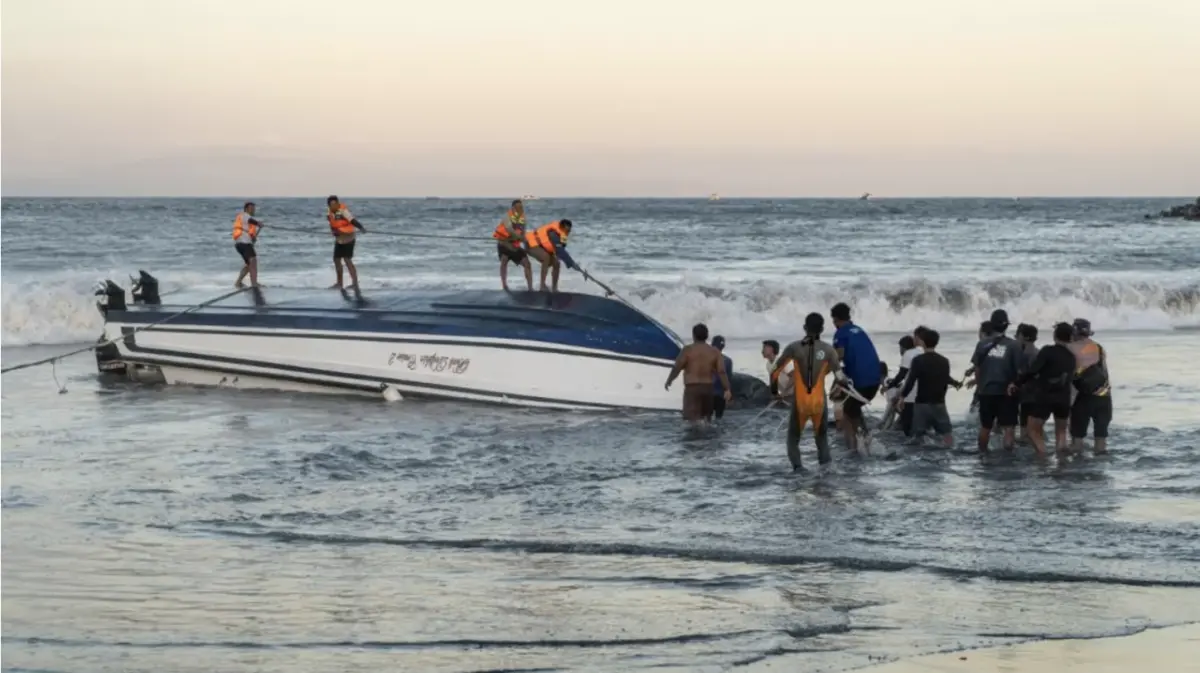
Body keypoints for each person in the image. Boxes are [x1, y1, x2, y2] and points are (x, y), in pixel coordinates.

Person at [770, 312, 844, 471]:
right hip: (819, 402)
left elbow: (775, 372)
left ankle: (799, 471)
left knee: (793, 439)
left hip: (800, 402)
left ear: (804, 328)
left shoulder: (794, 348)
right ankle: (826, 471)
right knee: (821, 439)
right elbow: (840, 377)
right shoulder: (829, 351)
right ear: (822, 329)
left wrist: (775, 392)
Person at [1008, 322, 1075, 457]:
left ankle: (1042, 454)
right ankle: (1061, 460)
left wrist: (1016, 383)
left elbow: (1032, 371)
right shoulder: (1071, 356)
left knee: (1032, 429)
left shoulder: (1047, 351)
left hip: (1046, 396)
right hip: (1064, 398)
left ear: (1055, 335)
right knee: (1061, 431)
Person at [830, 302, 882, 455]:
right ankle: (867, 439)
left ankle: (852, 451)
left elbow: (836, 360)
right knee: (854, 409)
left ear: (836, 319)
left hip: (861, 383)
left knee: (846, 415)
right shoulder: (859, 330)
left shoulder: (840, 334)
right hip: (875, 380)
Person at [970, 309, 1023, 453]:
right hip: (1007, 393)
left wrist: (980, 388)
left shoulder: (982, 344)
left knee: (985, 427)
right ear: (1006, 326)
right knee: (1008, 428)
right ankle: (1008, 457)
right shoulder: (1014, 346)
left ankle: (982, 455)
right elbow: (1020, 371)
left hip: (986, 392)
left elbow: (977, 369)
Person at [899, 328, 955, 449]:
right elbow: (945, 382)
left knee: (917, 438)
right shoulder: (944, 361)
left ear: (923, 342)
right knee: (947, 436)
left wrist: (902, 397)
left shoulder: (918, 361)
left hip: (921, 405)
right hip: (939, 403)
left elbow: (910, 381)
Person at [665, 323, 732, 423]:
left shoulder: (687, 350)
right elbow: (721, 372)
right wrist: (727, 389)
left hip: (692, 388)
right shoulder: (714, 352)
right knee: (706, 420)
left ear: (693, 335)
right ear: (707, 336)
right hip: (708, 388)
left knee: (692, 421)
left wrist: (669, 380)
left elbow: (677, 367)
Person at [1067, 318, 1112, 455]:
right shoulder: (1099, 348)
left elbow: (1070, 377)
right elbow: (1103, 371)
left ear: (1074, 332)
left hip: (1084, 398)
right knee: (1101, 443)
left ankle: (1078, 472)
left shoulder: (1070, 349)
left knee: (1077, 443)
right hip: (1104, 397)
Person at [326, 195, 366, 298]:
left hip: (349, 237)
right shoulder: (329, 213)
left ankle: (355, 283)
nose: (334, 206)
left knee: (347, 259)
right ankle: (339, 283)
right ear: (329, 206)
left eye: (335, 203)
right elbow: (332, 225)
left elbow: (352, 220)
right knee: (336, 259)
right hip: (340, 238)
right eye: (332, 204)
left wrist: (361, 227)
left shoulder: (343, 211)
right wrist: (334, 232)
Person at [883, 334, 923, 436]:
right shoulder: (920, 352)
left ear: (903, 347)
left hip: (911, 395)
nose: (900, 351)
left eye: (900, 348)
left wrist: (890, 385)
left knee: (907, 427)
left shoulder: (908, 354)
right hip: (924, 393)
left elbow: (902, 374)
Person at [524, 219, 577, 292]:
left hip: (541, 246)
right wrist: (572, 263)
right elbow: (560, 251)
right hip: (531, 243)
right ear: (561, 228)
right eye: (566, 230)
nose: (567, 233)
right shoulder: (553, 234)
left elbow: (561, 252)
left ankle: (554, 288)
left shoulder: (562, 235)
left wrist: (570, 263)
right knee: (546, 257)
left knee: (557, 263)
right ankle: (542, 286)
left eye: (569, 231)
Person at [493, 199, 533, 291]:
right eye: (518, 207)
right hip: (504, 243)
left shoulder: (523, 218)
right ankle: (504, 285)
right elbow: (509, 229)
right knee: (504, 260)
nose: (520, 209)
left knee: (527, 263)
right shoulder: (507, 217)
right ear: (513, 208)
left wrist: (523, 238)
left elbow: (523, 232)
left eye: (521, 207)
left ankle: (530, 288)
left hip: (514, 245)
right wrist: (518, 236)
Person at [1015, 323, 1041, 443]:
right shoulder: (1038, 352)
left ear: (1024, 337)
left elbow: (1022, 374)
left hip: (1027, 394)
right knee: (1036, 427)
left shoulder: (1025, 354)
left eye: (1019, 335)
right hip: (1038, 394)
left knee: (1024, 428)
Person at [232, 201, 262, 288]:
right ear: (246, 209)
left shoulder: (248, 223)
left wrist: (253, 238)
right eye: (251, 208)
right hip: (243, 242)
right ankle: (254, 283)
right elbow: (251, 220)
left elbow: (252, 236)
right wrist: (258, 223)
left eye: (254, 209)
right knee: (253, 261)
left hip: (241, 243)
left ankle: (238, 282)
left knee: (249, 264)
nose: (253, 210)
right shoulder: (244, 215)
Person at [710, 335, 734, 421]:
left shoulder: (704, 359)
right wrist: (729, 393)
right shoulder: (728, 361)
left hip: (707, 393)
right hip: (720, 394)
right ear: (723, 346)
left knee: (705, 420)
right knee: (718, 419)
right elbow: (729, 378)